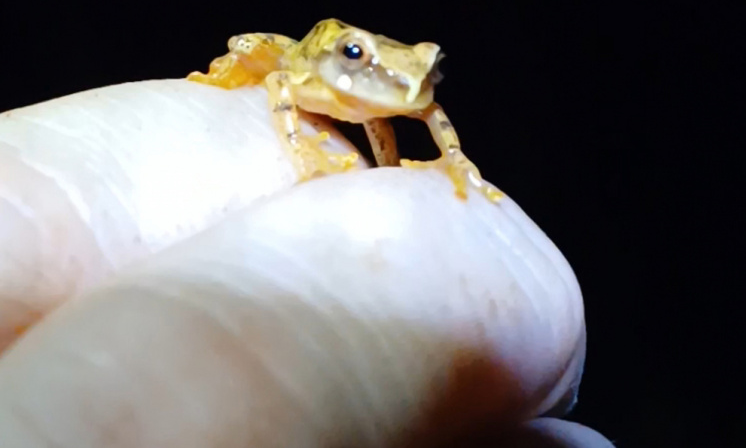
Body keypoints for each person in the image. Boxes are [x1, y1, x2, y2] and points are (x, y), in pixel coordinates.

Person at [0, 79, 613, 447]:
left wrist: (445, 165)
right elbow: (281, 89)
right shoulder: (307, 77)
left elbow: (413, 114)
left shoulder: (397, 95)